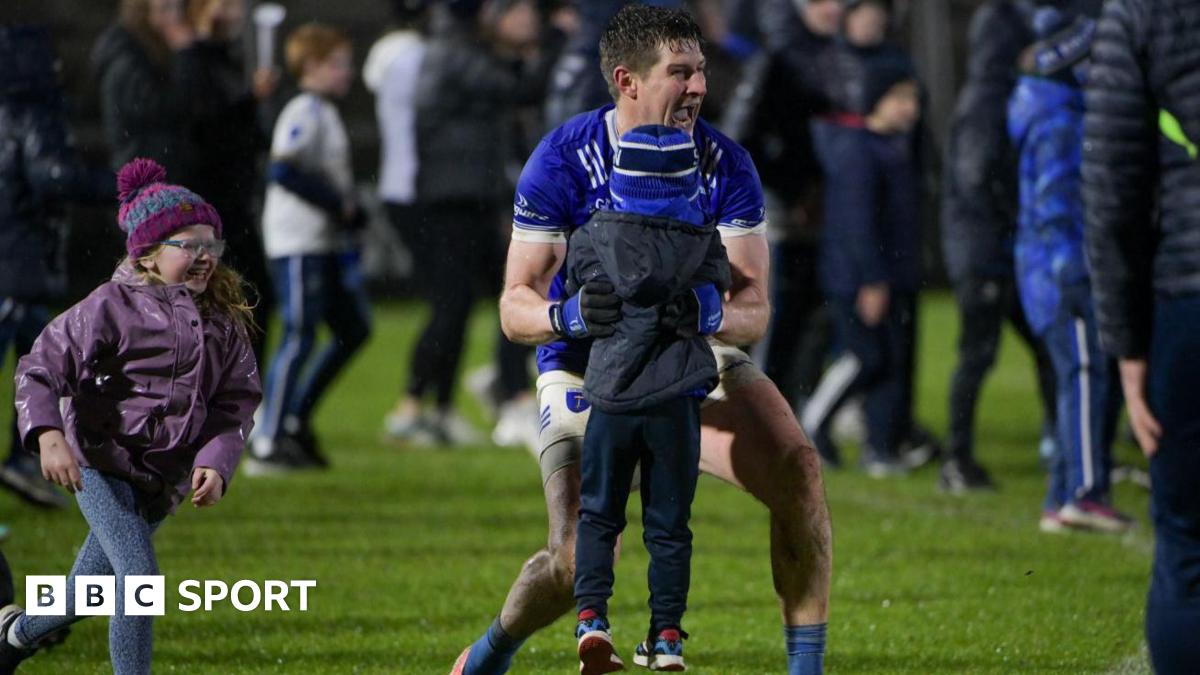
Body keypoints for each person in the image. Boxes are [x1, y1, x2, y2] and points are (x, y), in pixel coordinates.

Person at [450, 6, 832, 675]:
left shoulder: (723, 162)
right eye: (679, 73)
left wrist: (703, 310)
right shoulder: (565, 158)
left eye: (701, 72)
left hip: (690, 352)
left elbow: (754, 308)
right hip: (584, 362)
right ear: (626, 81)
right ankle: (489, 652)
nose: (697, 88)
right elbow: (516, 307)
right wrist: (567, 316)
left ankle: (807, 669)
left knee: (797, 469)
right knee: (574, 562)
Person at [0, 158, 261, 674]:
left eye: (212, 243)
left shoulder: (222, 321)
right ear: (146, 253)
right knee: (137, 580)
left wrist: (217, 461)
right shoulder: (109, 306)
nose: (205, 255)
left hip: (160, 479)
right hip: (98, 461)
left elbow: (237, 402)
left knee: (89, 592)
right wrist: (49, 435)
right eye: (189, 244)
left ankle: (13, 636)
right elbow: (39, 368)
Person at [569, 124, 730, 674]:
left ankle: (591, 619)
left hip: (612, 399)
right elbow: (716, 306)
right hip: (674, 399)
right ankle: (666, 637)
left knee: (597, 517)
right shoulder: (702, 240)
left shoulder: (592, 234)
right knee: (668, 527)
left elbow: (582, 303)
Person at [1082, 0, 1200, 670]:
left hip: (1189, 296)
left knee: (1187, 546)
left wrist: (1128, 347)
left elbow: (1111, 194)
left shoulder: (1142, 13)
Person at [383, 0, 546, 447]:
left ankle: (452, 404)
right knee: (455, 303)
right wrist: (536, 49)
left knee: (503, 292)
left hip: (465, 194)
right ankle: (414, 406)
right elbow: (519, 88)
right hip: (450, 197)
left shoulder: (455, 48)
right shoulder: (457, 51)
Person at [1008, 8, 1132, 534]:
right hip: (1060, 272)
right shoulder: (1060, 118)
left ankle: (1062, 496)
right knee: (1084, 373)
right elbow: (1057, 206)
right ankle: (1084, 492)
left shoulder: (1044, 104)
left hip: (1045, 269)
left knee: (1077, 375)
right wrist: (1076, 271)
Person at [939, 0, 1058, 493]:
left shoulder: (992, 95)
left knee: (1045, 349)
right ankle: (956, 460)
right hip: (987, 253)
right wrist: (1017, 216)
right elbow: (977, 176)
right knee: (978, 355)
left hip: (994, 250)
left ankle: (1063, 448)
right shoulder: (989, 101)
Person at [0, 25, 115, 510]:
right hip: (20, 259)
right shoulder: (33, 113)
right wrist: (115, 185)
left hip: (13, 256)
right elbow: (52, 176)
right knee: (41, 366)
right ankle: (24, 458)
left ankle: (24, 459)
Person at [251, 23, 371, 472]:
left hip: (319, 241)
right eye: (339, 63)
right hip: (297, 240)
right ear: (313, 66)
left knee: (353, 328)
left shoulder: (324, 110)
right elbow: (282, 171)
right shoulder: (303, 110)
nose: (347, 72)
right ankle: (267, 439)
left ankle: (296, 417)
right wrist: (337, 204)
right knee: (300, 331)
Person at [801, 57, 924, 476]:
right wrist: (872, 278)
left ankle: (880, 448)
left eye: (913, 98)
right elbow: (857, 224)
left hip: (889, 276)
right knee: (866, 357)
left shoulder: (895, 148)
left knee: (888, 361)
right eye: (900, 97)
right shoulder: (857, 152)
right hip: (859, 279)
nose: (909, 107)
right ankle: (813, 423)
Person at [723, 0, 841, 416]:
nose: (832, 8)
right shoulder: (777, 62)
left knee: (815, 323)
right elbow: (742, 141)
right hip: (783, 219)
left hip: (830, 215)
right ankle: (760, 419)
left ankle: (792, 417)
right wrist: (793, 190)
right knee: (776, 320)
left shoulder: (844, 55)